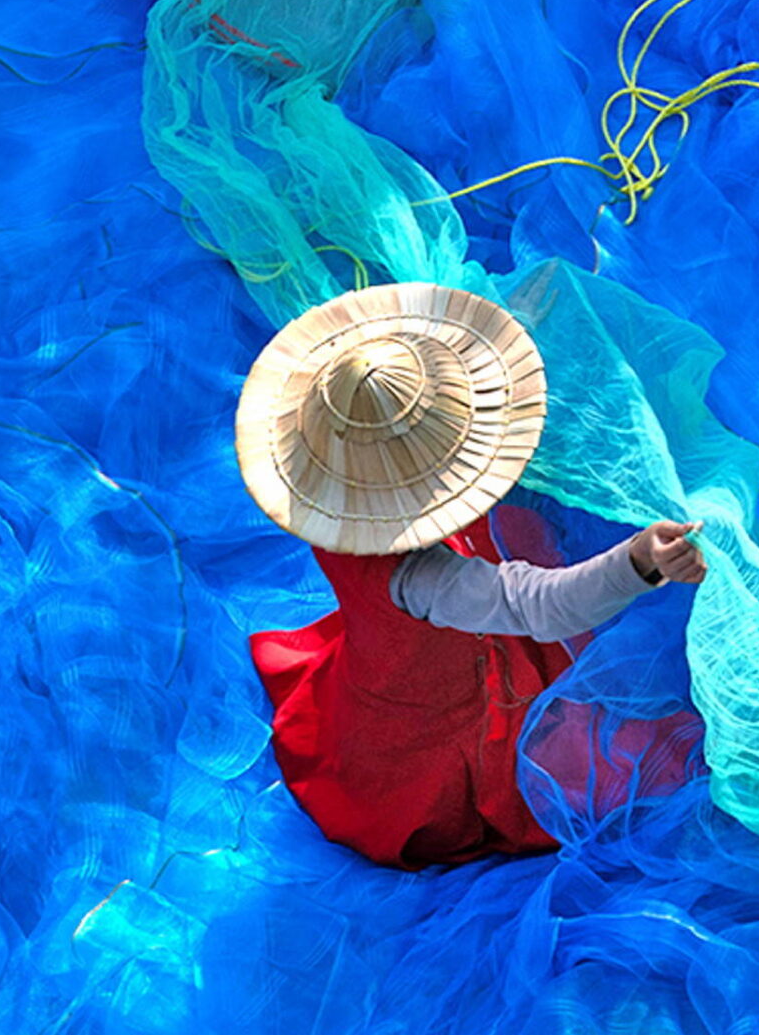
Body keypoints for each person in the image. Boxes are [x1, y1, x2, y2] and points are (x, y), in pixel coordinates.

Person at [237, 281, 709, 869]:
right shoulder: (421, 580)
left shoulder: (327, 493)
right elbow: (539, 607)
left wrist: (521, 323)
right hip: (438, 715)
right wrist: (637, 563)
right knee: (650, 747)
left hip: (383, 660)